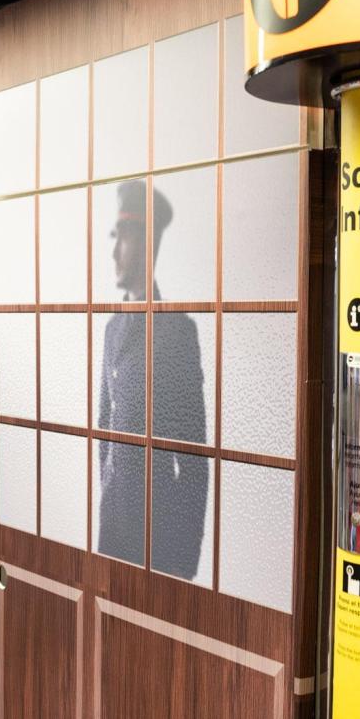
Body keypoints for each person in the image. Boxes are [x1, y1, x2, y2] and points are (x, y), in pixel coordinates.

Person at [96, 181, 209, 577]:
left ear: (147, 245)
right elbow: (104, 429)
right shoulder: (112, 329)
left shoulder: (175, 333)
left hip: (159, 547)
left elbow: (194, 459)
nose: (113, 251)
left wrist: (181, 566)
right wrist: (109, 495)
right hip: (112, 535)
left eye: (123, 239)